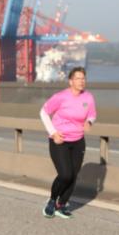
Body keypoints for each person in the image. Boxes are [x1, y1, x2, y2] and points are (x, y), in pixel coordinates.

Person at [39, 66, 96, 219]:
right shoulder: (61, 97)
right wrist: (53, 133)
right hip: (60, 141)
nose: (81, 81)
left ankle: (61, 205)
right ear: (71, 81)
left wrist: (89, 122)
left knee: (73, 175)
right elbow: (43, 112)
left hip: (78, 141)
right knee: (65, 175)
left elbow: (92, 114)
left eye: (83, 78)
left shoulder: (88, 97)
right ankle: (51, 201)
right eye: (77, 78)